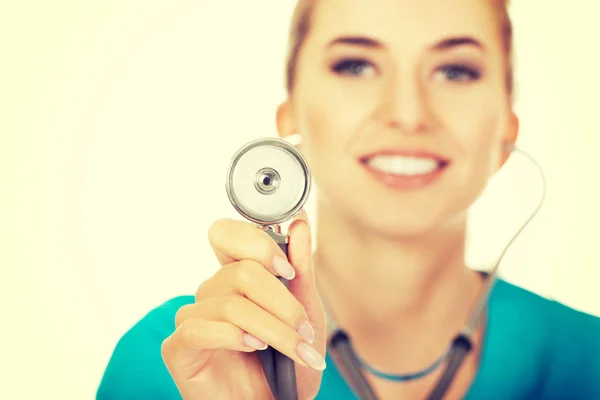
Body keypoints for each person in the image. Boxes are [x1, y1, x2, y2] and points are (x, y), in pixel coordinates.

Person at [96, 0, 600, 398]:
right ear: (289, 123)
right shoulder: (172, 366)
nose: (407, 113)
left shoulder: (589, 363)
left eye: (454, 71)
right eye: (357, 65)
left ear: (505, 133)